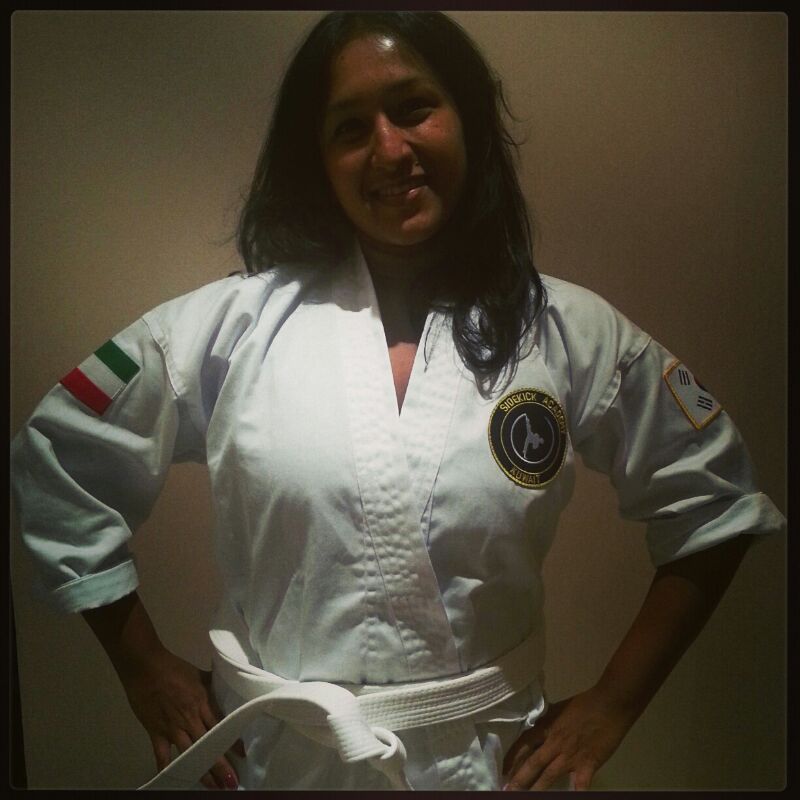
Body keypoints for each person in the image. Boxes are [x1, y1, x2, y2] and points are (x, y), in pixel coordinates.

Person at [10, 11, 785, 792]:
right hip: (281, 760)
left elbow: (713, 501)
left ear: (467, 118)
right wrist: (144, 671)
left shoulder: (566, 331)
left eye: (414, 108)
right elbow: (61, 454)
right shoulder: (231, 326)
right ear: (319, 159)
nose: (389, 150)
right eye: (350, 128)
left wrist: (612, 707)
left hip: (484, 762)